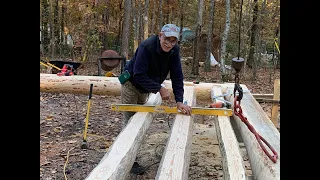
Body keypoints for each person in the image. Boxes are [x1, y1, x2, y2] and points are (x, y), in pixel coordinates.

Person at [120, 23, 192, 127]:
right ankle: (124, 142)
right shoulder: (146, 47)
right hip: (131, 84)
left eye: (173, 41)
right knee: (130, 120)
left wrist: (179, 101)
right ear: (160, 35)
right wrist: (160, 88)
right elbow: (138, 75)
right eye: (167, 39)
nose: (169, 44)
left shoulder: (174, 50)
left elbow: (177, 76)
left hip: (145, 87)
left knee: (140, 118)